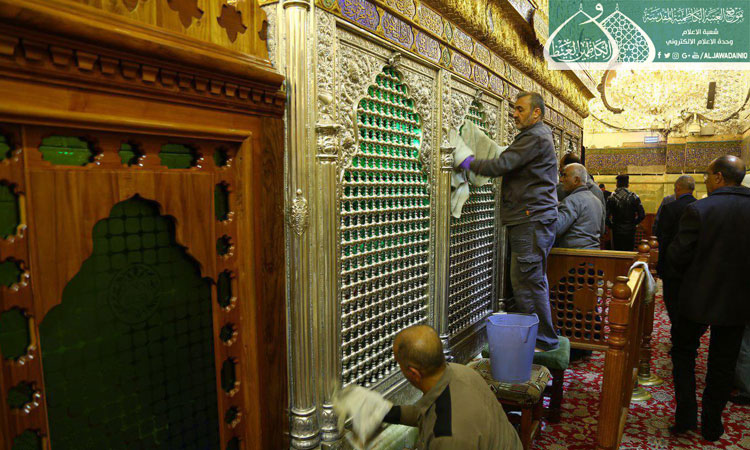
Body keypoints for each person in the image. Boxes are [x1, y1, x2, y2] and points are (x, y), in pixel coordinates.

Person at [457, 91, 559, 351]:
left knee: (526, 282)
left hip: (530, 219)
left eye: (520, 109)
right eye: (514, 108)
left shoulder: (535, 137)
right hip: (532, 218)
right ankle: (542, 338)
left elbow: (501, 165)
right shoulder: (537, 136)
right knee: (531, 280)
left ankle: (542, 341)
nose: (514, 114)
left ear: (537, 112)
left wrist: (466, 161)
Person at [667, 155, 750, 441]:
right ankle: (713, 424)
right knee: (723, 364)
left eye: (706, 175)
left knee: (683, 354)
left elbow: (677, 256)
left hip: (696, 298)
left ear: (718, 177)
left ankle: (686, 417)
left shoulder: (699, 209)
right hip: (738, 302)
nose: (705, 180)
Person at [383, 325, 523, 449]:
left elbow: (443, 422)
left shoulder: (447, 436)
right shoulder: (461, 372)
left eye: (399, 364)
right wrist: (382, 412)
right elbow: (425, 412)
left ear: (414, 373)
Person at [655, 175, 696, 330]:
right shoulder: (701, 207)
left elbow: (662, 237)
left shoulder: (670, 208)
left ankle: (678, 330)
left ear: (677, 188)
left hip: (671, 264)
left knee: (672, 300)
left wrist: (660, 266)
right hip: (693, 265)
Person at [555, 163, 605, 249]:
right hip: (594, 252)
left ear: (576, 180)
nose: (561, 180)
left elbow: (556, 229)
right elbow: (602, 230)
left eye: (564, 176)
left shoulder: (571, 201)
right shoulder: (597, 201)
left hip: (573, 253)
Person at [606, 174, 646, 251]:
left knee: (617, 253)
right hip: (630, 230)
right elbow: (642, 215)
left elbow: (605, 217)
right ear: (628, 184)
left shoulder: (611, 198)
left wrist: (612, 226)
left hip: (616, 230)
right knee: (629, 252)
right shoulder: (634, 197)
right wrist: (633, 223)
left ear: (617, 184)